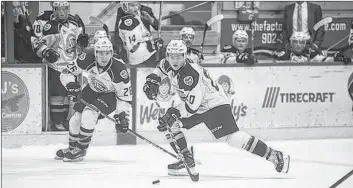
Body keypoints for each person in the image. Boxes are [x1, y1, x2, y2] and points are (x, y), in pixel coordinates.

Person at [143, 39, 290, 178]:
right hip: (197, 104)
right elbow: (160, 69)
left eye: (178, 57)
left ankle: (274, 155)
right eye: (171, 56)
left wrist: (172, 113)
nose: (174, 60)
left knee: (233, 138)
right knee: (173, 126)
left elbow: (191, 107)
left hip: (213, 104)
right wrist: (152, 80)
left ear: (184, 55)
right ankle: (185, 159)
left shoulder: (190, 75)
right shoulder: (167, 63)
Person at [55, 38, 132, 162]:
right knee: (75, 120)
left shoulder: (119, 69)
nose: (104, 57)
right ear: (95, 53)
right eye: (101, 53)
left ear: (112, 53)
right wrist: (70, 85)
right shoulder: (86, 58)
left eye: (107, 53)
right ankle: (72, 148)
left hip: (110, 95)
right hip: (91, 89)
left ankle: (81, 149)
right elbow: (66, 72)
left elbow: (125, 97)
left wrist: (122, 116)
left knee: (89, 114)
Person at [31, 1, 89, 131]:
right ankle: (57, 123)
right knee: (57, 97)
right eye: (58, 9)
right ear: (54, 9)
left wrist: (83, 43)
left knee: (69, 96)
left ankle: (65, 122)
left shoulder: (75, 23)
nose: (61, 12)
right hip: (55, 67)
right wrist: (45, 51)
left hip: (72, 67)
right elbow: (38, 45)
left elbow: (79, 44)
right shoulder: (50, 26)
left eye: (64, 9)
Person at [115, 1, 163, 66]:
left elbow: (157, 27)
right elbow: (118, 32)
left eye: (136, 5)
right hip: (135, 51)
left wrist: (150, 19)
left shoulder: (147, 9)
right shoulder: (122, 10)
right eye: (132, 5)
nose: (136, 7)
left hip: (148, 50)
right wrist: (119, 51)